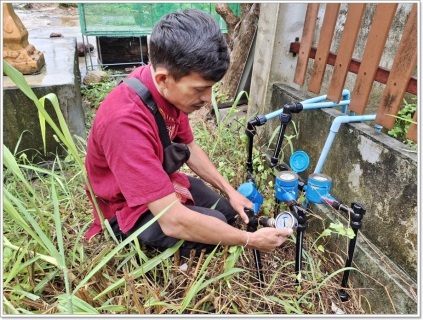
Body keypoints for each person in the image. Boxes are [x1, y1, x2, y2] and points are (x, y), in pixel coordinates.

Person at [84, 9, 293, 257]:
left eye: (211, 89)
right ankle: (131, 239)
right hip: (126, 207)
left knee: (227, 212)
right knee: (213, 231)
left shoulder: (166, 90)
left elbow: (190, 147)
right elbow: (173, 221)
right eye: (200, 89)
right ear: (163, 78)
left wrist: (230, 191)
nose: (208, 100)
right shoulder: (124, 122)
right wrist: (249, 240)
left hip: (158, 181)